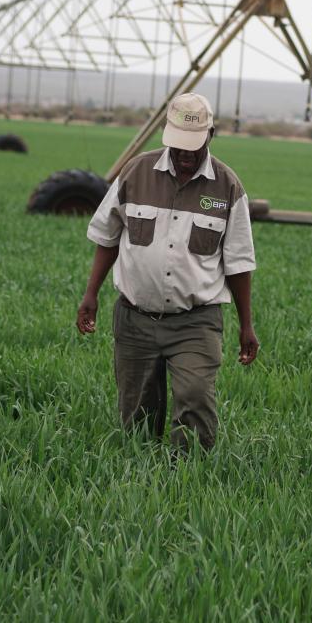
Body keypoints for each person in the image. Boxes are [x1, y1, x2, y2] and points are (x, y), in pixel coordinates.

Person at [77, 92, 259, 454]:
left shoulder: (228, 187)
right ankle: (143, 485)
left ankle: (188, 481)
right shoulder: (136, 172)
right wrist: (91, 294)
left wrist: (246, 325)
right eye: (179, 146)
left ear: (210, 135)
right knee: (137, 417)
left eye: (194, 146)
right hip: (135, 317)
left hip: (195, 321)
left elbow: (238, 263)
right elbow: (108, 236)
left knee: (194, 398)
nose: (186, 154)